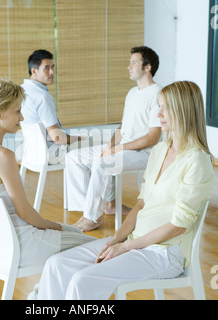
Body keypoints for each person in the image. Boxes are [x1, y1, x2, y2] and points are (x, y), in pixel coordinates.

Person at [35, 81, 215, 300]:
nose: (158, 113)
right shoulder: (159, 151)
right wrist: (116, 240)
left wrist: (127, 246)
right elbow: (140, 204)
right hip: (134, 240)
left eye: (165, 107)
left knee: (84, 280)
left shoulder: (197, 161)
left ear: (183, 109)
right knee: (57, 264)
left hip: (164, 253)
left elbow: (178, 226)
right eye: (159, 106)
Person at [0, 78, 96, 269]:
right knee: (94, 248)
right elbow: (25, 212)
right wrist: (52, 225)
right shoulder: (2, 156)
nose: (22, 118)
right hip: (22, 244)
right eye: (17, 112)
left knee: (75, 233)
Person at [65, 46, 162, 232]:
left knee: (103, 163)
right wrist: (109, 145)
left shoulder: (158, 94)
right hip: (124, 147)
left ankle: (92, 218)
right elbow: (122, 128)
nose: (129, 66)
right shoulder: (132, 93)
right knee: (73, 157)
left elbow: (152, 138)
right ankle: (90, 209)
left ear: (147, 67)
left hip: (143, 153)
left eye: (133, 62)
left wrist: (116, 150)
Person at [21, 49, 83, 164]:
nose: (52, 72)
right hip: (50, 153)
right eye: (46, 68)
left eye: (52, 67)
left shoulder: (22, 89)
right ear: (33, 71)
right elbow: (58, 138)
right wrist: (80, 138)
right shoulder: (42, 97)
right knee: (94, 146)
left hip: (32, 152)